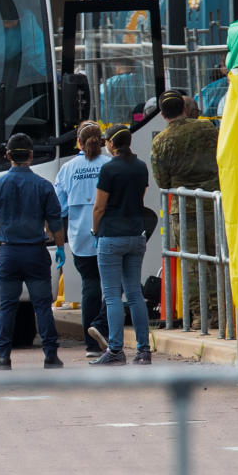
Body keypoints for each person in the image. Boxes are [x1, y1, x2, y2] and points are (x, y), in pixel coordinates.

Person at [0, 133, 65, 370]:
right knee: (42, 306)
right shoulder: (43, 186)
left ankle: (3, 357)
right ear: (31, 155)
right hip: (36, 252)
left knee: (7, 307)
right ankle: (50, 355)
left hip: (8, 253)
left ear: (8, 155)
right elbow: (56, 222)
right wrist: (59, 247)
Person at [150, 89, 220, 329]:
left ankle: (201, 315)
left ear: (162, 113)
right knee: (218, 260)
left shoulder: (161, 141)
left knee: (192, 264)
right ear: (184, 108)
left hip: (184, 208)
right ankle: (222, 313)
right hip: (214, 203)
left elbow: (162, 182)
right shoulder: (208, 129)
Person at [90, 124, 152, 366]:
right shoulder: (141, 167)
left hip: (111, 236)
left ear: (111, 144)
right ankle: (143, 350)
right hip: (136, 235)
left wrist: (95, 230)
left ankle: (115, 350)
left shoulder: (108, 169)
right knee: (135, 294)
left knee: (112, 295)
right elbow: (140, 198)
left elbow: (99, 207)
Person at [54, 121, 110, 358]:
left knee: (90, 287)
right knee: (113, 287)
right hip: (108, 234)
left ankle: (90, 344)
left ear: (78, 141)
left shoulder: (68, 168)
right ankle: (105, 331)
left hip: (80, 238)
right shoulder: (109, 165)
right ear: (102, 141)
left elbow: (60, 207)